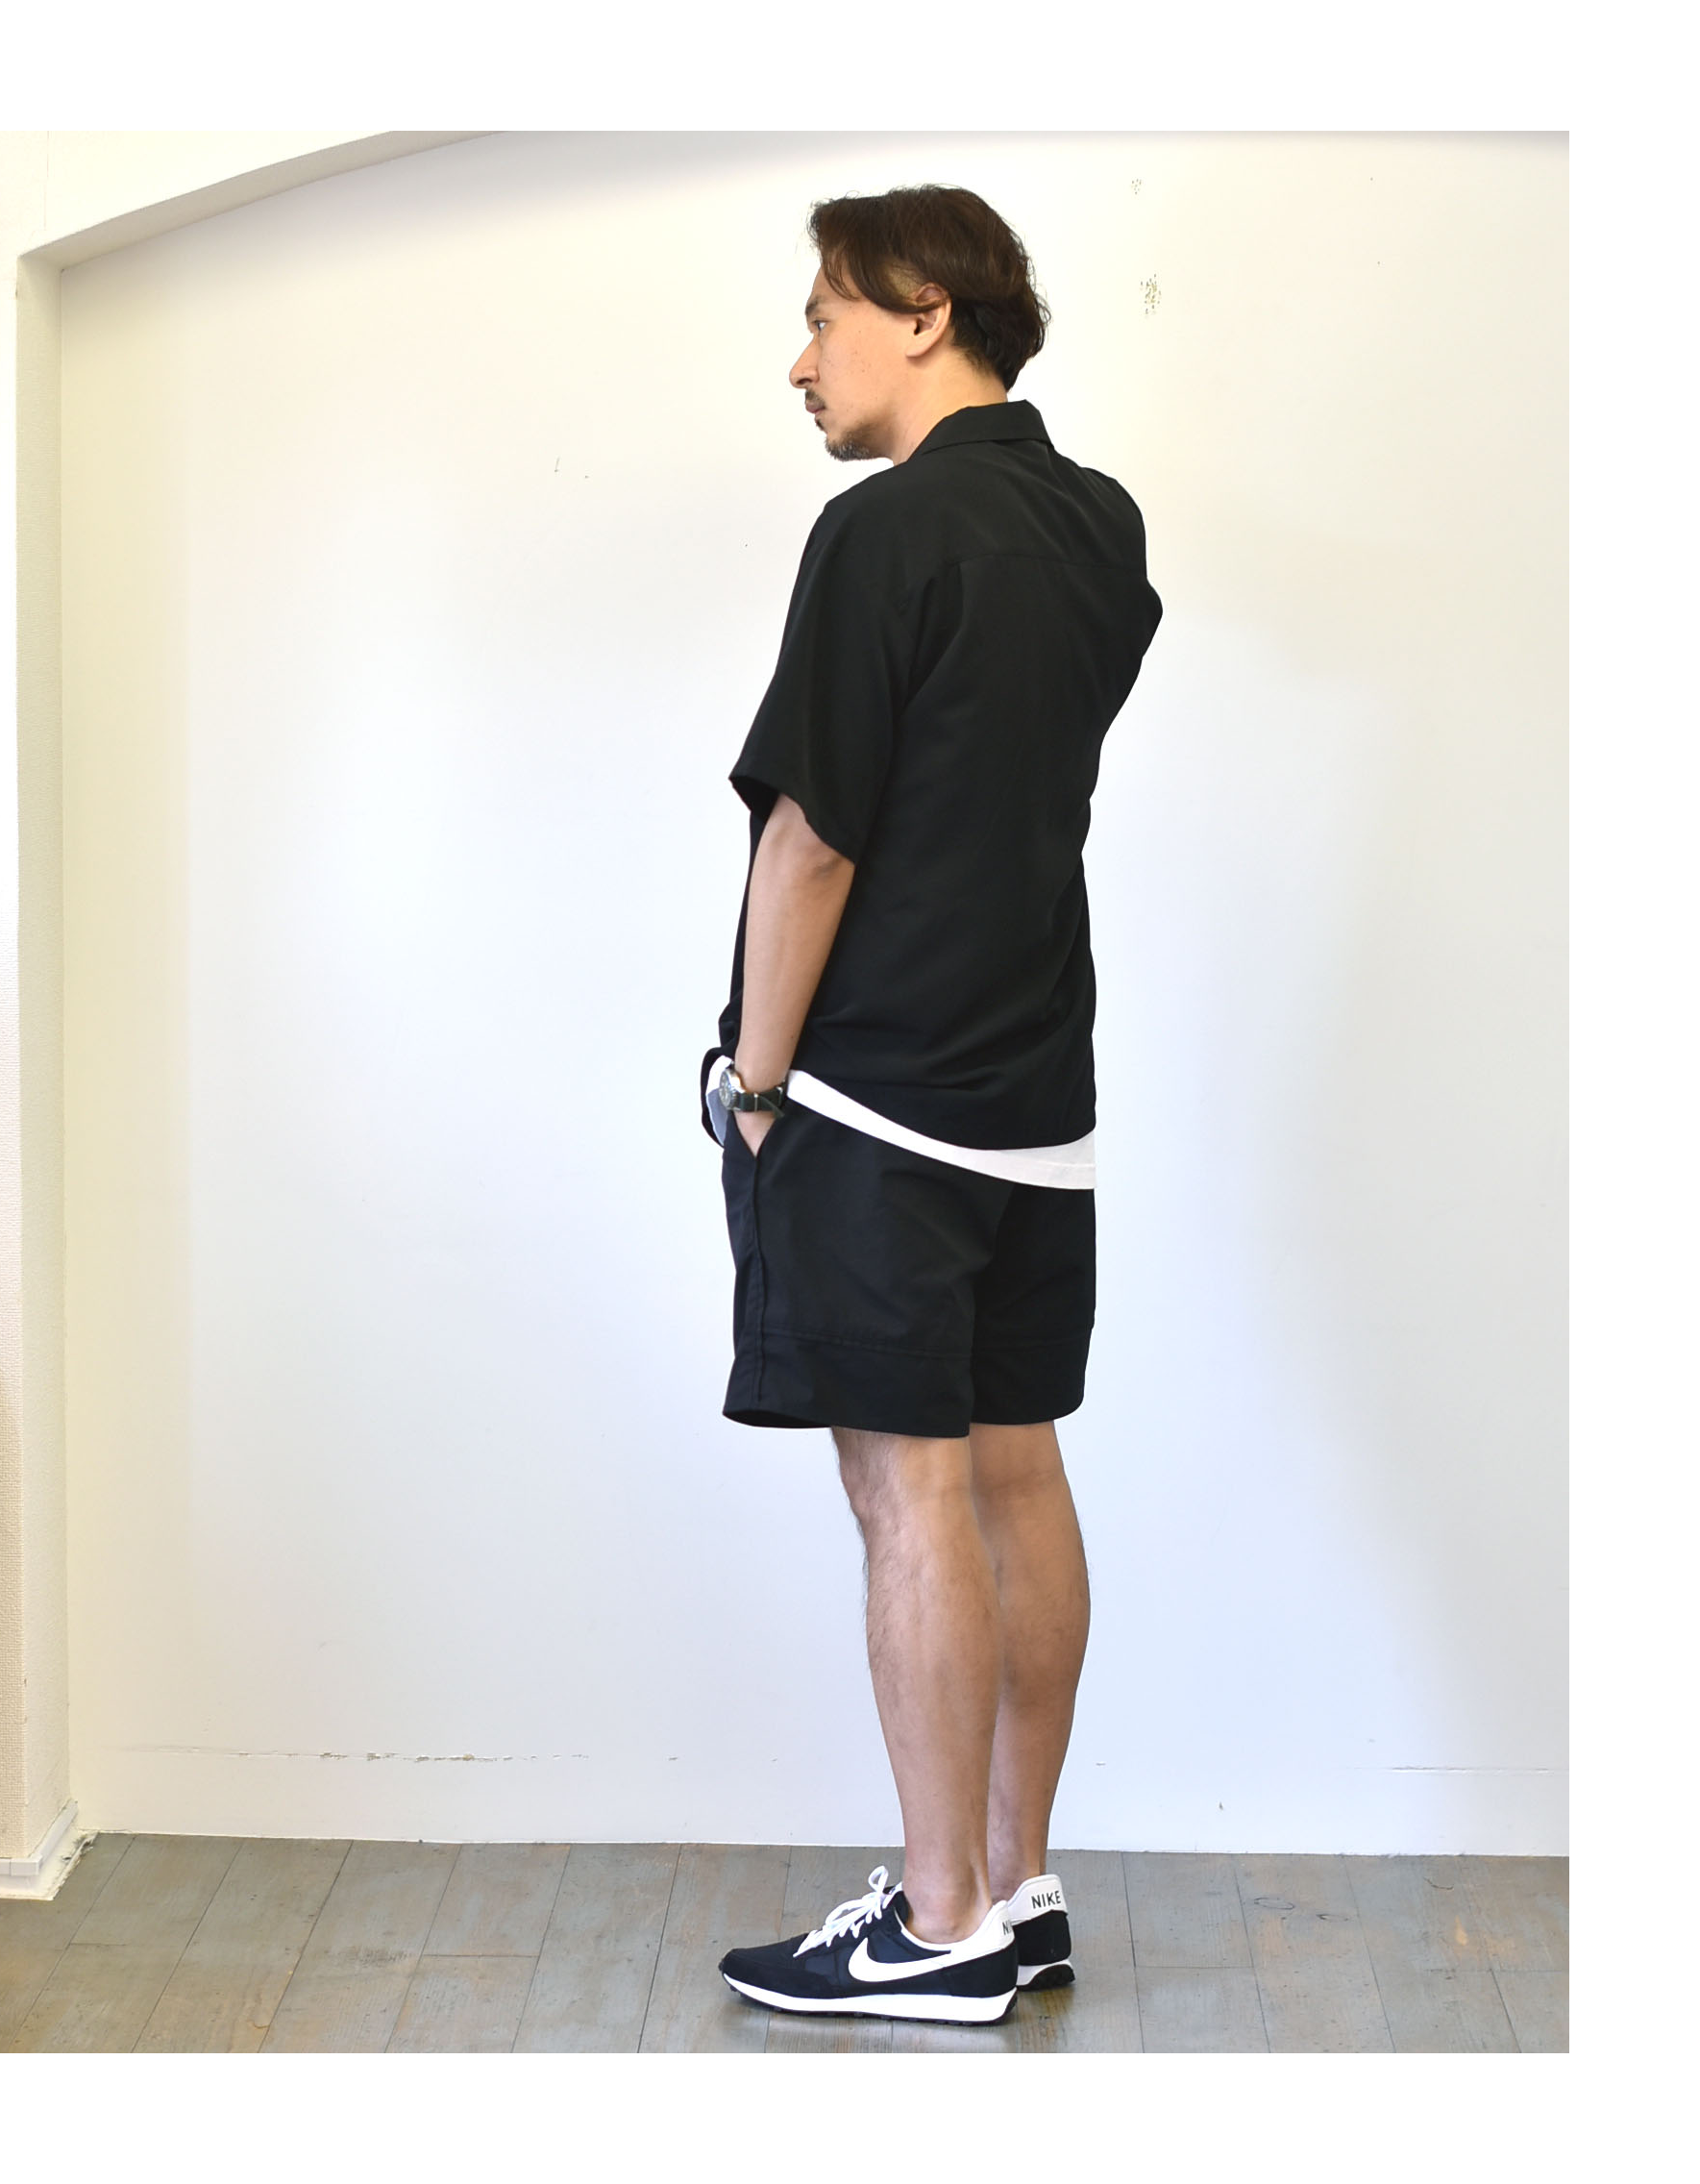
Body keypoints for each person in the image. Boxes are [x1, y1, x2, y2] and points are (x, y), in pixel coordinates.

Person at [704, 186, 1162, 2025]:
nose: (800, 359)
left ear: (921, 312)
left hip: (879, 1096)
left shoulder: (881, 530)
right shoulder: (1098, 524)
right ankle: (1014, 1883)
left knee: (909, 1498)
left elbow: (814, 835)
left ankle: (939, 1918)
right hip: (1037, 1086)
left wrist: (755, 1079)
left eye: (823, 314)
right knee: (1016, 1470)